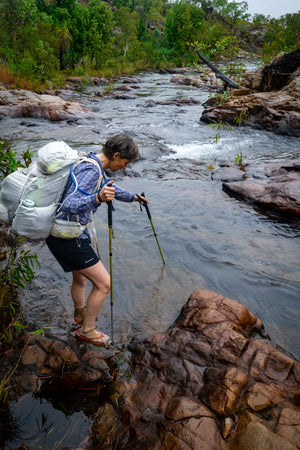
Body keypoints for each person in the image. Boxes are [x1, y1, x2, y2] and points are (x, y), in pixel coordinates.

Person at [46, 134, 148, 345]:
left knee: (81, 278)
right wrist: (97, 198)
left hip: (65, 233)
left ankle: (79, 316)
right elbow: (67, 205)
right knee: (103, 284)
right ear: (116, 155)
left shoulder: (91, 161)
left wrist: (134, 197)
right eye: (125, 163)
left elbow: (110, 187)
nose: (125, 168)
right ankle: (87, 330)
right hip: (67, 236)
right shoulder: (91, 171)